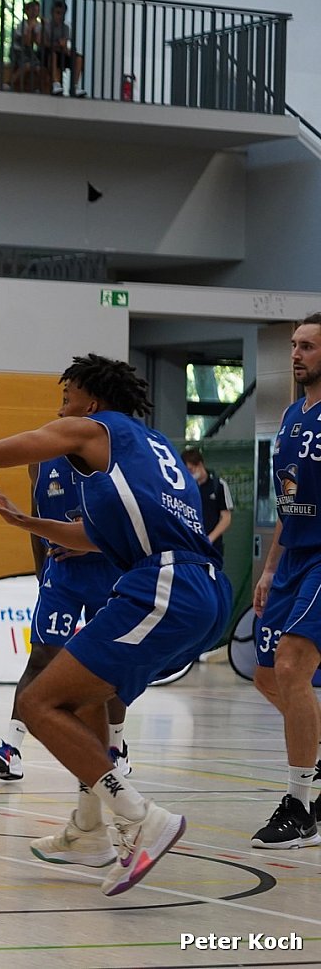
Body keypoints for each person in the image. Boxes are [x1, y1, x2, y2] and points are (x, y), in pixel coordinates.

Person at [0, 354, 231, 896]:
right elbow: (95, 536)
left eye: (67, 398)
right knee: (85, 702)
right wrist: (24, 520)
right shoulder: (151, 447)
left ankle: (140, 817)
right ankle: (89, 829)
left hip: (166, 584)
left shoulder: (92, 429)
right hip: (201, 588)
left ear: (91, 402)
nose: (60, 410)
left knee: (39, 702)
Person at [0, 450, 128, 783]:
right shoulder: (40, 461)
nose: (62, 415)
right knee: (42, 655)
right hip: (62, 573)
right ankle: (10, 749)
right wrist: (41, 571)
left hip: (110, 570)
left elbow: (132, 523)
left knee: (111, 663)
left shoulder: (110, 453)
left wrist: (91, 542)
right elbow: (36, 520)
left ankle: (115, 749)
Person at [248, 314, 321, 849]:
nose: (295, 354)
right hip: (293, 556)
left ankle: (300, 806)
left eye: (308, 346)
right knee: (267, 675)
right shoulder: (292, 414)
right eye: (294, 345)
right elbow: (287, 500)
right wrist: (270, 569)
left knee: (293, 665)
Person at [182, 448, 234, 560]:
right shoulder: (186, 487)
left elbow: (226, 518)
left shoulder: (219, 485)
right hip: (190, 547)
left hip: (212, 548)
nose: (189, 474)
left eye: (191, 470)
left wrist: (209, 539)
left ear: (200, 464)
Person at [44, 2, 86, 97]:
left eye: (62, 14)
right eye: (58, 13)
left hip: (61, 52)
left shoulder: (66, 28)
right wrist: (57, 44)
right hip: (48, 53)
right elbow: (44, 43)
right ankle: (55, 84)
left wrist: (66, 49)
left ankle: (74, 86)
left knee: (78, 58)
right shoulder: (46, 26)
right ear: (52, 13)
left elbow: (64, 44)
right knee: (53, 55)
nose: (60, 16)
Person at [10, 1, 45, 93]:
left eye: (37, 10)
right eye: (32, 10)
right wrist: (30, 29)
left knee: (38, 67)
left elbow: (38, 42)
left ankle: (37, 87)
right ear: (27, 11)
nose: (34, 13)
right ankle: (11, 82)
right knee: (27, 65)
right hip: (18, 50)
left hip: (29, 51)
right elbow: (26, 42)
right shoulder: (22, 25)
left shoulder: (39, 25)